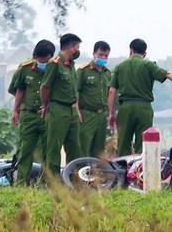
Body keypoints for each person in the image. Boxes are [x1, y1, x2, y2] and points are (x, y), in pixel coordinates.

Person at [107, 38, 172, 156]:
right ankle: (141, 171)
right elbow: (168, 74)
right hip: (144, 108)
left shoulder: (120, 67)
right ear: (144, 54)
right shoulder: (148, 65)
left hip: (125, 108)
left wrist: (111, 114)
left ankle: (123, 171)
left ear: (130, 51)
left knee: (123, 145)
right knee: (144, 144)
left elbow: (112, 91)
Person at [8, 39, 56, 184]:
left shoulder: (54, 69)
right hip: (28, 114)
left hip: (48, 115)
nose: (43, 63)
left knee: (48, 151)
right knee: (25, 150)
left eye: (46, 60)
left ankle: (44, 183)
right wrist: (15, 111)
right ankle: (21, 182)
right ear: (35, 56)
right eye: (41, 60)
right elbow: (19, 90)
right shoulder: (24, 69)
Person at [40, 33, 83, 175]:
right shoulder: (54, 63)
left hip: (72, 111)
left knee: (75, 148)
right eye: (77, 47)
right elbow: (45, 87)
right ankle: (53, 182)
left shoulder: (71, 65)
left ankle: (73, 179)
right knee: (54, 148)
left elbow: (73, 88)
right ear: (71, 47)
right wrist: (45, 105)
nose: (78, 50)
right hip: (58, 110)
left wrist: (76, 108)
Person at [77, 41, 112, 158]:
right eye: (100, 54)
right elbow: (75, 92)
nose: (103, 57)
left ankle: (96, 175)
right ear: (94, 54)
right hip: (87, 114)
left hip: (102, 115)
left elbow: (109, 94)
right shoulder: (84, 71)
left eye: (106, 55)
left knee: (99, 150)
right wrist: (77, 111)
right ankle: (78, 174)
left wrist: (109, 113)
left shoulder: (107, 73)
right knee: (83, 147)